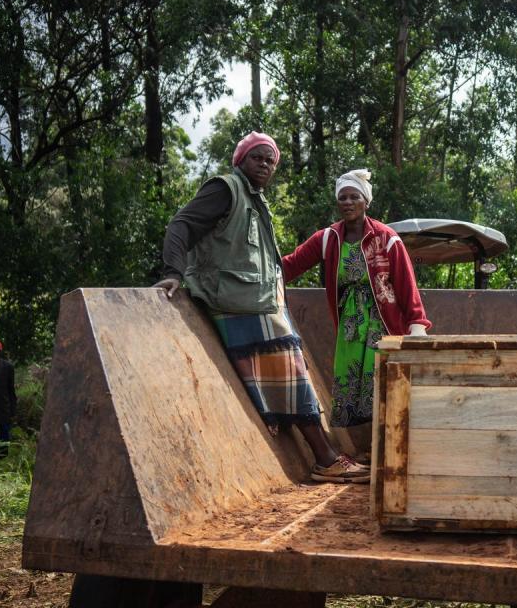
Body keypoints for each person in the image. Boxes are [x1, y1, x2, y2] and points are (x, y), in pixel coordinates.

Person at [154, 131, 369, 484]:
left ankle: (328, 455)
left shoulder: (256, 200)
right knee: (288, 371)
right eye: (258, 157)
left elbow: (269, 259)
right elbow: (181, 224)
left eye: (271, 160)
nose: (265, 164)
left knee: (293, 368)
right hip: (237, 302)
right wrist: (173, 272)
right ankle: (326, 458)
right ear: (241, 160)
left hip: (260, 300)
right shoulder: (225, 189)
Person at [282, 169, 431, 431]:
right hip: (349, 328)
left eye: (354, 197)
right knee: (350, 385)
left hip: (381, 324)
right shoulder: (329, 238)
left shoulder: (386, 238)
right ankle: (360, 452)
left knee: (380, 384)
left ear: (366, 201)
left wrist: (416, 323)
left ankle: (381, 450)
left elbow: (407, 284)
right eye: (342, 198)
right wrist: (257, 272)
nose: (348, 202)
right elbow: (291, 265)